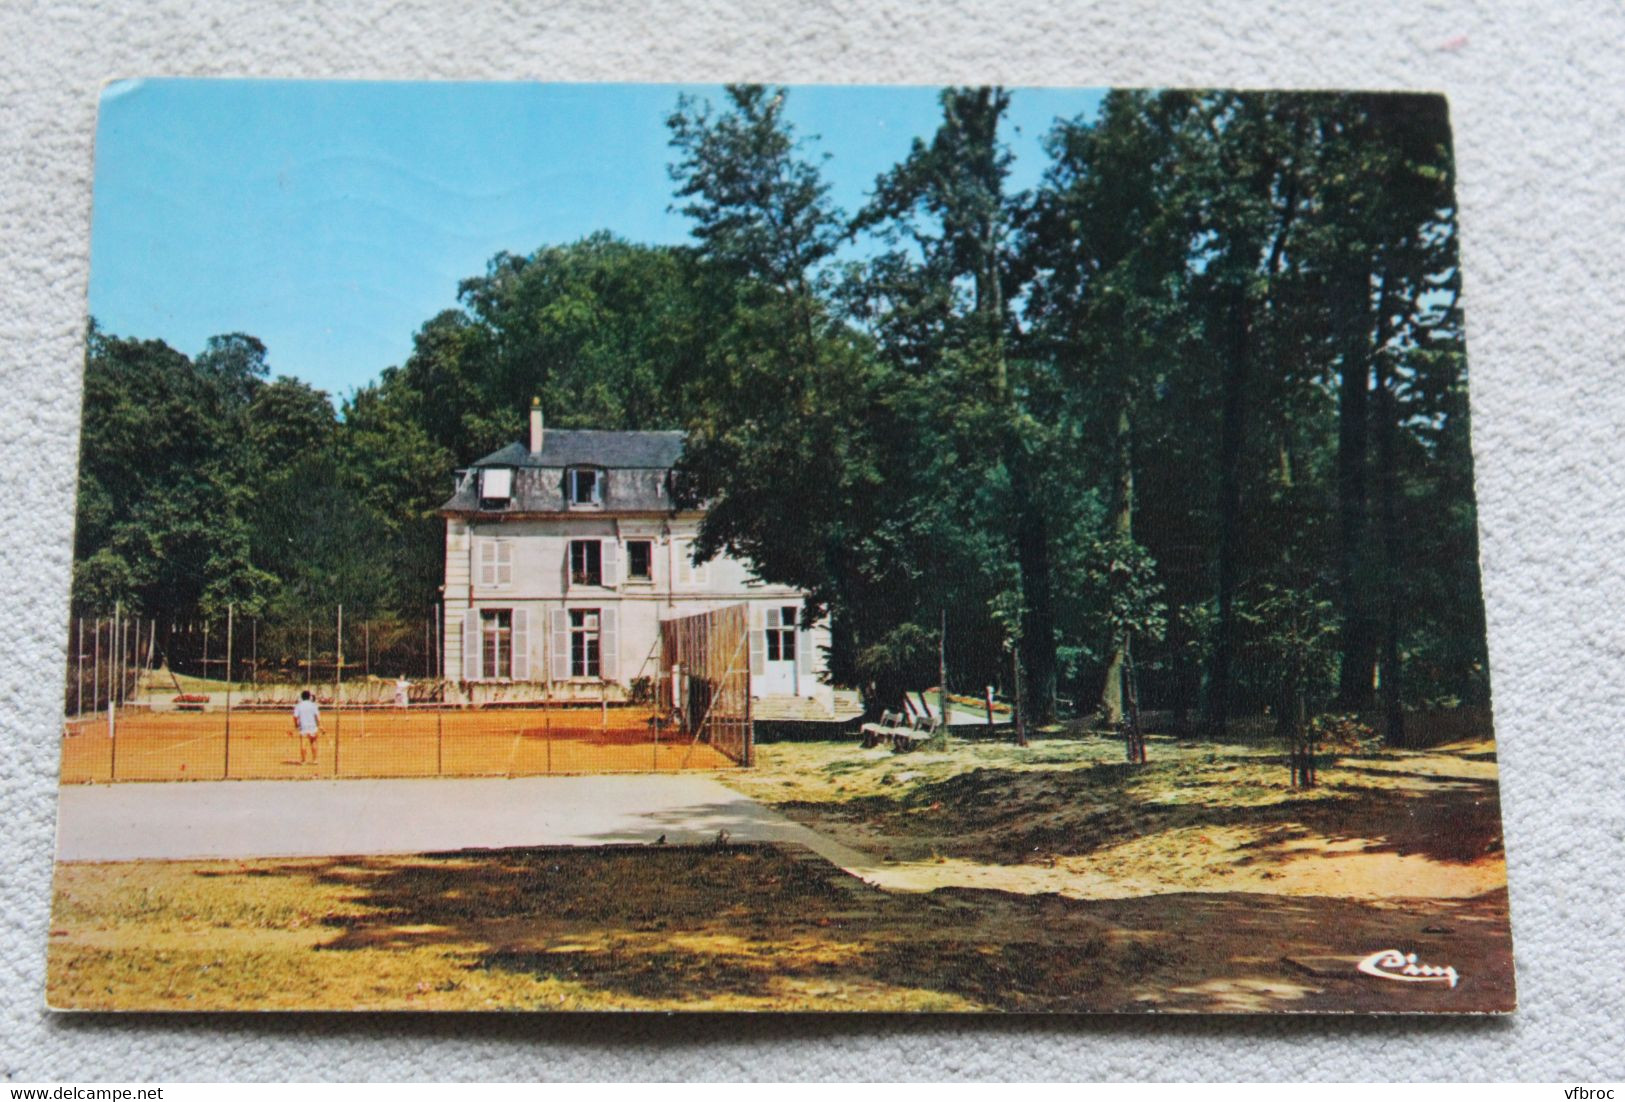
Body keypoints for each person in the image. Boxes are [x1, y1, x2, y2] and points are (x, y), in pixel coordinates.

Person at [292, 689, 321, 764]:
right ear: (309, 697)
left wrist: (296, 725)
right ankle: (315, 760)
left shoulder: (299, 706)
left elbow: (295, 717)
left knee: (303, 743)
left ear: (302, 697)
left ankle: (303, 760)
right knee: (313, 742)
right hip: (313, 727)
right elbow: (317, 716)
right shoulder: (313, 705)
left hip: (303, 727)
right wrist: (319, 725)